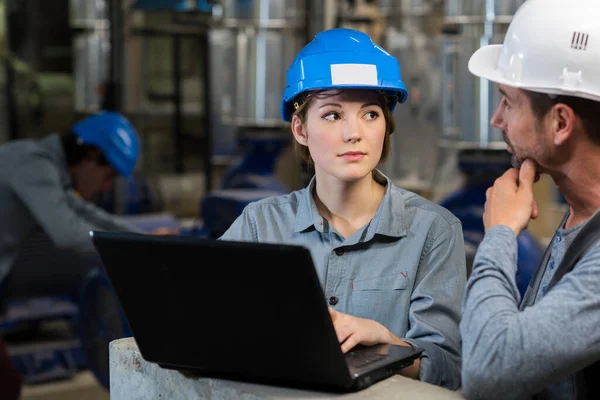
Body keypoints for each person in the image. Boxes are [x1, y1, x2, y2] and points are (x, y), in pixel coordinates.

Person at [219, 28, 466, 389]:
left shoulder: (433, 231)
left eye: (370, 114)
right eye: (333, 115)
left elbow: (448, 368)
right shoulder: (260, 225)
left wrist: (386, 343)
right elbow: (203, 320)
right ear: (300, 129)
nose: (355, 133)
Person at [460, 0, 600, 399]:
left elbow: (490, 371)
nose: (496, 120)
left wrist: (501, 230)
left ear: (560, 123)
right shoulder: (582, 218)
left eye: (509, 101)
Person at [0, 111, 158, 301]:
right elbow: (67, 233)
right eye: (109, 176)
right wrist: (129, 248)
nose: (107, 187)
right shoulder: (34, 165)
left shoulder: (49, 171)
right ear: (90, 157)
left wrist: (141, 240)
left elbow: (83, 210)